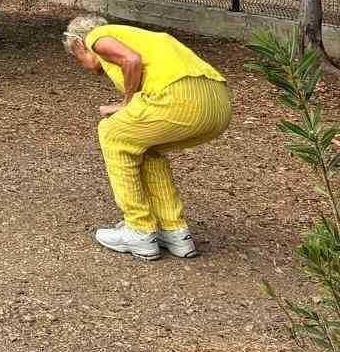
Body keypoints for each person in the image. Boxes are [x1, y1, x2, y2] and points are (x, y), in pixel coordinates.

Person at [62, 15, 232, 260]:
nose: (79, 63)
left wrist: (126, 102)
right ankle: (174, 231)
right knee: (144, 146)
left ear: (78, 44)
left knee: (112, 133)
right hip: (218, 104)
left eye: (74, 56)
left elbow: (131, 60)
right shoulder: (141, 37)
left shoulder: (96, 36)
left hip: (181, 98)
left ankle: (139, 229)